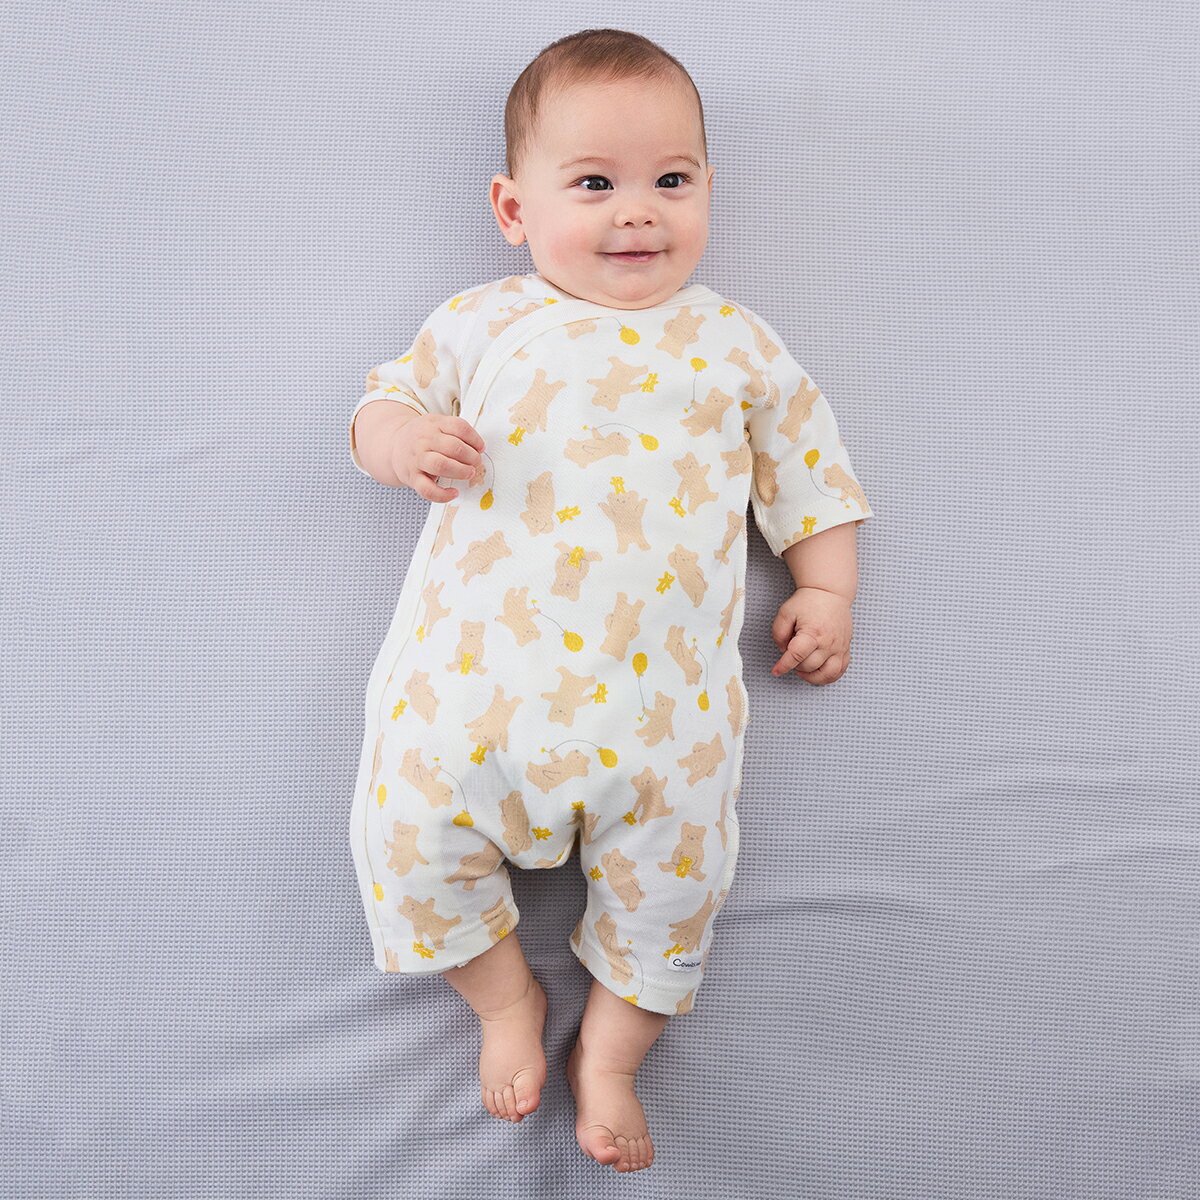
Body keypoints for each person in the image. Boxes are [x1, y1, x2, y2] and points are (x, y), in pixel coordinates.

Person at [346, 28, 874, 1174]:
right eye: (594, 185)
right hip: (477, 695)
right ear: (513, 208)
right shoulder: (484, 322)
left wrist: (826, 585)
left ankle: (612, 1056)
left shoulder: (735, 345)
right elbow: (382, 404)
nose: (638, 212)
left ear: (708, 189)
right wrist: (403, 446)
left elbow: (810, 470)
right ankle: (504, 1000)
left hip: (663, 716)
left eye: (670, 181)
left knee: (679, 888)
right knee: (406, 839)